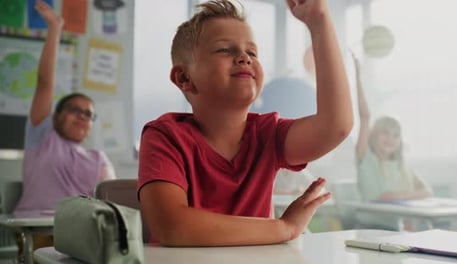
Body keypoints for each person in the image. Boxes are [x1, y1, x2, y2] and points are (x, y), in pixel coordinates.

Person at [138, 0, 353, 246]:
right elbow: (173, 227)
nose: (244, 57)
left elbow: (336, 125)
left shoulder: (267, 134)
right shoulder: (164, 136)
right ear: (184, 77)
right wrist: (284, 228)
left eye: (252, 52)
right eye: (224, 50)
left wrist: (319, 22)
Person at [14, 0, 116, 213]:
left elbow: (110, 201)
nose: (81, 116)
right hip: (36, 230)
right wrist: (54, 29)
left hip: (79, 233)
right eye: (74, 110)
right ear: (56, 115)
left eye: (88, 114)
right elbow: (45, 83)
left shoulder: (98, 158)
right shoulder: (42, 135)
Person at [352, 52, 432, 203]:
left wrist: (394, 196)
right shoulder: (366, 158)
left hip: (395, 226)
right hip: (370, 225)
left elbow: (427, 191)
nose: (391, 139)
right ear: (374, 135)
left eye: (396, 135)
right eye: (385, 133)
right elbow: (365, 116)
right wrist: (358, 76)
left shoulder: (401, 166)